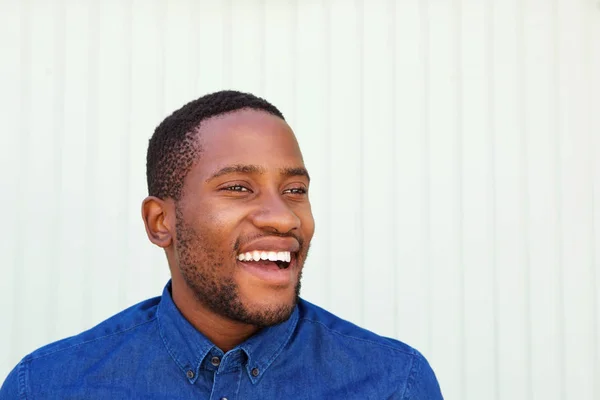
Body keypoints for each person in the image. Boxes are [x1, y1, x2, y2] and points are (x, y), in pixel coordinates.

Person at [0, 90, 443, 399]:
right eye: (238, 188)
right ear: (161, 222)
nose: (284, 217)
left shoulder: (393, 383)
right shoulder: (46, 386)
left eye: (294, 190)